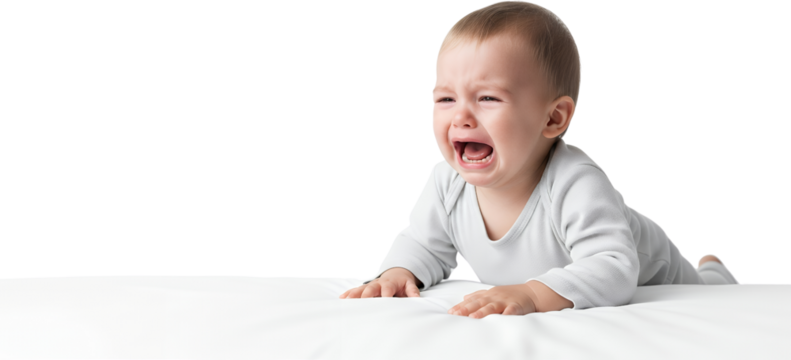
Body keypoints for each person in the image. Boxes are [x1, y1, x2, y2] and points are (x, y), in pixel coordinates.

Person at [339, 0, 739, 319]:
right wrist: (398, 273)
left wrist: (531, 293)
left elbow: (615, 267)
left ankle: (711, 271)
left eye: (488, 98)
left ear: (552, 118)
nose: (460, 116)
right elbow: (423, 244)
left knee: (707, 289)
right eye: (445, 98)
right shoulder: (446, 182)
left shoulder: (574, 181)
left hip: (664, 278)